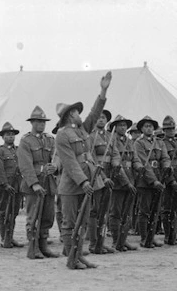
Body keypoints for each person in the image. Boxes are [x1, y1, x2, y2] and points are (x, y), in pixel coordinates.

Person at [55, 70, 113, 270]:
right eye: (77, 112)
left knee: (84, 222)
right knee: (70, 223)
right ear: (71, 114)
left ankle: (79, 256)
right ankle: (71, 259)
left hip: (86, 182)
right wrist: (84, 181)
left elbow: (95, 113)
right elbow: (70, 163)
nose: (81, 114)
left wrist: (103, 91)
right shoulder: (62, 135)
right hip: (72, 185)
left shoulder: (81, 129)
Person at [17, 106, 59, 259]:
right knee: (33, 216)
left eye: (43, 121)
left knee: (48, 216)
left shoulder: (50, 139)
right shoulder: (26, 141)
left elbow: (56, 157)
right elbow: (25, 165)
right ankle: (33, 247)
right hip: (34, 185)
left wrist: (55, 166)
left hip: (48, 183)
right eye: (38, 121)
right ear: (32, 122)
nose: (42, 124)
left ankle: (43, 245)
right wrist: (34, 183)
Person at [107, 114, 143, 252]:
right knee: (115, 212)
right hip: (118, 181)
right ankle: (116, 241)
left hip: (130, 180)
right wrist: (126, 182)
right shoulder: (111, 141)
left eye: (124, 125)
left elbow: (135, 158)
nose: (122, 127)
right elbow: (115, 163)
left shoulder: (129, 142)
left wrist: (139, 167)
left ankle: (123, 240)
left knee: (126, 212)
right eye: (119, 125)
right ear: (114, 128)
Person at [134, 115, 169, 248]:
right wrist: (153, 181)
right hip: (145, 180)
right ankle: (144, 238)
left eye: (151, 126)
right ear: (142, 129)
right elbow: (144, 163)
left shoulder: (160, 142)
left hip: (159, 177)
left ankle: (151, 236)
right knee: (145, 210)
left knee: (155, 210)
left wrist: (166, 167)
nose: (149, 129)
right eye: (146, 126)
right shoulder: (139, 143)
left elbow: (165, 157)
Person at [86, 109, 118, 254]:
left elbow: (116, 154)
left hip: (110, 175)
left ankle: (101, 242)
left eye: (104, 118)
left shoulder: (111, 137)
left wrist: (117, 164)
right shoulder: (90, 137)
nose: (101, 120)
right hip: (97, 176)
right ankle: (93, 243)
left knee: (105, 211)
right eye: (98, 117)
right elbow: (91, 159)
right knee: (95, 211)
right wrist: (104, 177)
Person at [0, 122, 24, 248]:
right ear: (3, 137)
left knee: (14, 212)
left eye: (12, 135)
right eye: (8, 135)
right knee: (3, 211)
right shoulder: (0, 151)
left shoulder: (18, 150)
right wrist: (5, 184)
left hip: (17, 185)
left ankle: (10, 237)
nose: (11, 137)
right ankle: (4, 238)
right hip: (5, 186)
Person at [161, 117, 177, 245]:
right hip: (168, 178)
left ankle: (174, 234)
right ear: (164, 130)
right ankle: (167, 235)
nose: (171, 131)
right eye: (168, 129)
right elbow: (163, 163)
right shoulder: (161, 143)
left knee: (176, 208)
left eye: (172, 128)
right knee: (167, 208)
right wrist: (171, 180)